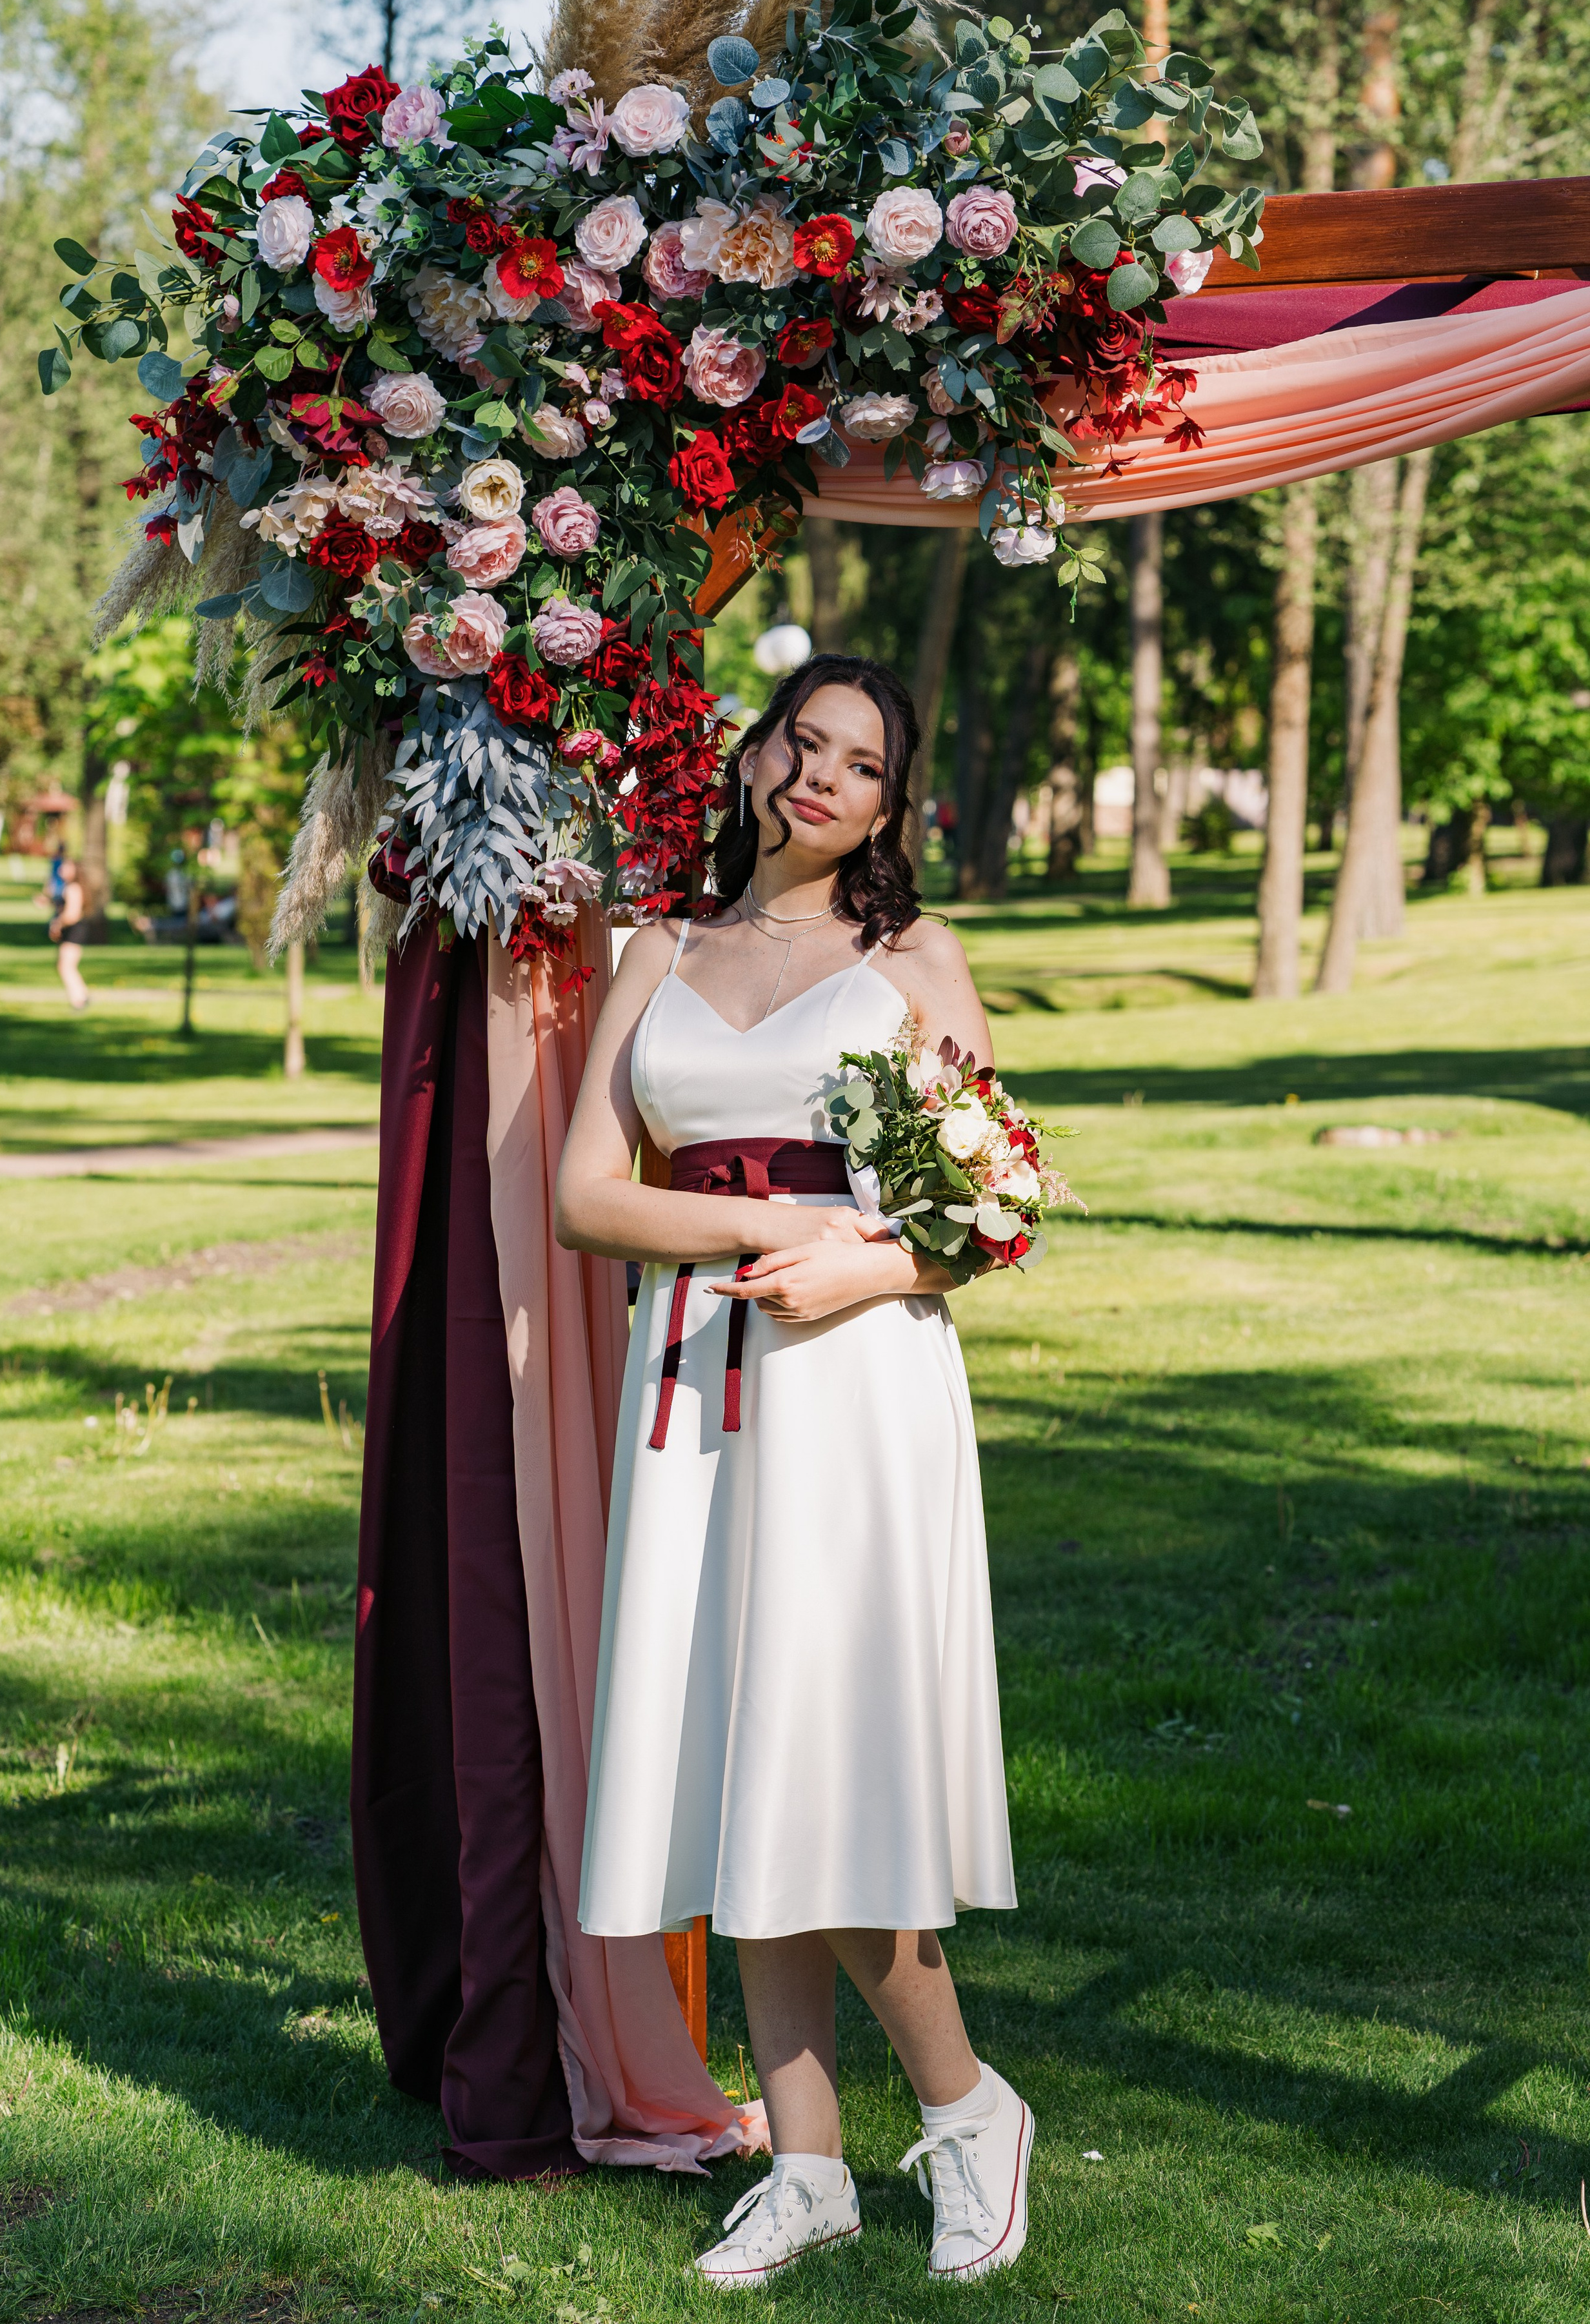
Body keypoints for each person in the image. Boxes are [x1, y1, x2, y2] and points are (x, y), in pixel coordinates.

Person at [555, 654, 1028, 2289]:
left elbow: (988, 1211)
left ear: (890, 805)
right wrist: (762, 1225)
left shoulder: (910, 959)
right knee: (730, 1751)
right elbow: (583, 1195)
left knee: (831, 1759)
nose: (819, 774)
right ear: (755, 756)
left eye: (860, 761)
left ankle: (968, 2111)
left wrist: (867, 1272)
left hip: (853, 1385)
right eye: (800, 740)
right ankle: (807, 2162)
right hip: (689, 1377)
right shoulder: (654, 950)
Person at [50, 854, 90, 1011]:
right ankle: (82, 996)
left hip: (74, 930)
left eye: (66, 866)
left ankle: (79, 1000)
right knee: (66, 966)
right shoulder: (70, 887)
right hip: (74, 930)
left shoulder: (73, 888)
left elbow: (72, 914)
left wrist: (58, 923)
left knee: (66, 966)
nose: (62, 869)